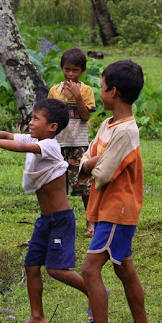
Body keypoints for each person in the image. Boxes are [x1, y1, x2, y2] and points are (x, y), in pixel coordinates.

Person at [0, 99, 90, 323]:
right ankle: (37, 317)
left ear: (51, 127)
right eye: (31, 118)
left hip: (61, 219)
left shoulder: (50, 145)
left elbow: (20, 148)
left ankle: (96, 292)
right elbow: (7, 135)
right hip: (45, 220)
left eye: (35, 119)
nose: (30, 123)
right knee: (32, 267)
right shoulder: (35, 138)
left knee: (56, 270)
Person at [68, 60, 154, 323]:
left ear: (113, 91)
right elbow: (90, 158)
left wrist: (90, 163)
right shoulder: (107, 125)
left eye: (102, 87)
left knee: (90, 270)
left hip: (117, 211)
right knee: (124, 269)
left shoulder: (127, 131)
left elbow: (101, 171)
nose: (99, 92)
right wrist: (91, 162)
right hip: (106, 209)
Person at [48, 48, 96, 237]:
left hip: (78, 143)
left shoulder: (86, 91)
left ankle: (90, 222)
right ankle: (59, 222)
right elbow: (50, 116)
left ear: (82, 71)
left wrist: (76, 96)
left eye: (75, 70)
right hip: (57, 144)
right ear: (62, 69)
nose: (70, 74)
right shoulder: (54, 91)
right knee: (58, 184)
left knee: (84, 184)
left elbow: (85, 117)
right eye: (67, 69)